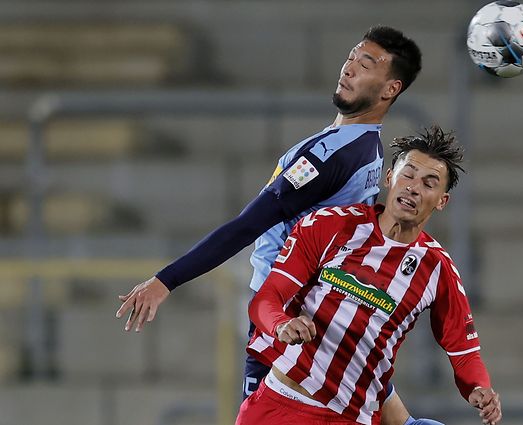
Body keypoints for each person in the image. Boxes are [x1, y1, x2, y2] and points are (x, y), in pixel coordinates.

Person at [114, 25, 436, 425]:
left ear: (390, 89)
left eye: (366, 64)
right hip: (307, 315)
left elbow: (249, 224)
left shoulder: (333, 157)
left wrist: (166, 281)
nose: (349, 68)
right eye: (351, 57)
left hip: (288, 320)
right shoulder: (363, 148)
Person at [239, 126, 502, 425]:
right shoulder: (329, 226)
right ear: (389, 177)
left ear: (442, 201)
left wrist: (478, 388)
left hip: (350, 417)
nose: (413, 187)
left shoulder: (437, 268)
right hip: (279, 405)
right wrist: (281, 323)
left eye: (429, 184)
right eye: (408, 174)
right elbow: (265, 299)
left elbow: (464, 351)